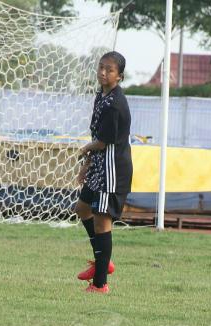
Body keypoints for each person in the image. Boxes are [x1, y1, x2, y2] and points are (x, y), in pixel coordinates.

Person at [74, 51, 132, 294]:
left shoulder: (116, 104)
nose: (103, 73)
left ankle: (100, 284)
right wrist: (87, 165)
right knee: (82, 208)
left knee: (101, 221)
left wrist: (85, 150)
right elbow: (97, 136)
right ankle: (102, 262)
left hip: (112, 169)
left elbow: (103, 141)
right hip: (99, 165)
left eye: (109, 70)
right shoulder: (101, 96)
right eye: (101, 67)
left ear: (119, 76)